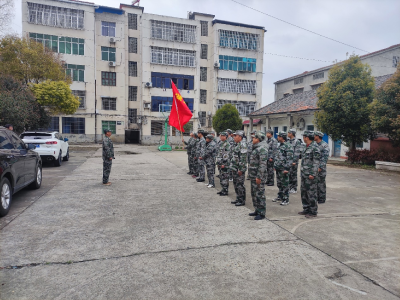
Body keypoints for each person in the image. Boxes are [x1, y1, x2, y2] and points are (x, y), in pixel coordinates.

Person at [298, 130, 321, 218]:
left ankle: (313, 211)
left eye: (304, 137)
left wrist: (313, 174)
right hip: (304, 173)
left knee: (311, 193)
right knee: (304, 192)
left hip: (310, 175)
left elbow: (316, 162)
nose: (303, 138)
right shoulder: (305, 147)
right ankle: (306, 209)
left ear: (306, 137)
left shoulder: (315, 147)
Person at [248, 131, 268, 220]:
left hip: (258, 176)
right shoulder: (256, 148)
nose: (253, 139)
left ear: (259, 139)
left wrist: (259, 176)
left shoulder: (262, 149)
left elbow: (262, 164)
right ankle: (257, 209)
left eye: (255, 138)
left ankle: (262, 212)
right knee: (254, 193)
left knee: (260, 193)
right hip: (253, 175)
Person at [273, 132, 294, 206]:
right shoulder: (280, 145)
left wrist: (287, 168)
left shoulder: (288, 146)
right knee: (279, 183)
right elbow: (278, 156)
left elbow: (290, 158)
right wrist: (275, 165)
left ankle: (286, 199)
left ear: (282, 137)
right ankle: (280, 196)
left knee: (285, 184)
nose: (277, 137)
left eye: (278, 136)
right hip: (278, 167)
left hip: (284, 168)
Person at [230, 130, 248, 206]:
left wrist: (241, 169)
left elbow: (243, 159)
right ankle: (238, 198)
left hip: (239, 169)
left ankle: (242, 200)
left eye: (235, 136)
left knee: (240, 184)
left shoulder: (243, 145)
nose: (234, 137)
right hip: (235, 168)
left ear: (240, 137)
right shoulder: (238, 144)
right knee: (236, 184)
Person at [314, 131, 330, 204]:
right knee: (315, 183)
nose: (313, 136)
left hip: (321, 168)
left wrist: (320, 167)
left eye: (315, 135)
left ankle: (321, 198)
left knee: (321, 183)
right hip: (314, 167)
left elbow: (324, 158)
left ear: (318, 136)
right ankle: (316, 197)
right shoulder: (314, 144)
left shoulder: (324, 145)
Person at [216, 131, 231, 196]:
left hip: (224, 164)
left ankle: (225, 191)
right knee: (221, 177)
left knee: (225, 177)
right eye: (220, 135)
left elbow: (226, 155)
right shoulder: (221, 143)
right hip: (220, 163)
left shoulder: (227, 144)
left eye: (222, 136)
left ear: (225, 137)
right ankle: (223, 189)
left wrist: (223, 164)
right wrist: (218, 163)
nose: (220, 136)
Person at [287, 129, 302, 194]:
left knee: (293, 174)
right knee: (289, 174)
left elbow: (297, 152)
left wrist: (294, 161)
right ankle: (289, 187)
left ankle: (294, 188)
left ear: (291, 134)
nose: (287, 134)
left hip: (293, 161)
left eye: (289, 133)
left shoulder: (297, 141)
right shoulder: (288, 141)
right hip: (288, 160)